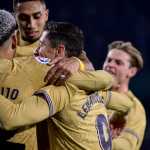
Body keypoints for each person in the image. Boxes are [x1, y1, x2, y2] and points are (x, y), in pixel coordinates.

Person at [0, 13, 134, 150]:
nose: (36, 51)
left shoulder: (61, 84)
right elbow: (126, 104)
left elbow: (11, 118)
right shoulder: (94, 86)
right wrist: (120, 117)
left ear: (59, 51)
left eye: (41, 45)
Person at [13, 0, 94, 79]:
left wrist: (78, 64)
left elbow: (92, 71)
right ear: (15, 17)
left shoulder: (58, 39)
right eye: (23, 18)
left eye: (37, 16)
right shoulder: (5, 42)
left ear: (46, 15)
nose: (31, 25)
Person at [102, 41, 146, 150]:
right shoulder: (90, 92)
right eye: (109, 60)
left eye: (118, 63)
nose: (110, 65)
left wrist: (99, 140)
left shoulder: (134, 108)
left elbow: (126, 147)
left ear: (131, 72)